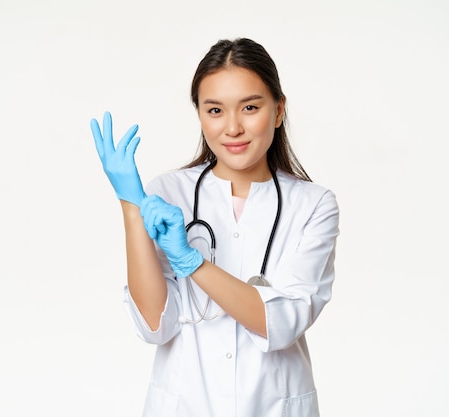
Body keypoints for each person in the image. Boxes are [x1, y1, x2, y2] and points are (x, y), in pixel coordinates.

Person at [90, 38, 339, 417]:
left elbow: (282, 322)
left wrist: (192, 263)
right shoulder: (168, 193)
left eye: (250, 107)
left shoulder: (313, 205)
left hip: (274, 406)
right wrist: (130, 204)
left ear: (278, 110)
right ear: (200, 115)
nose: (233, 127)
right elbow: (155, 325)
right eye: (215, 110)